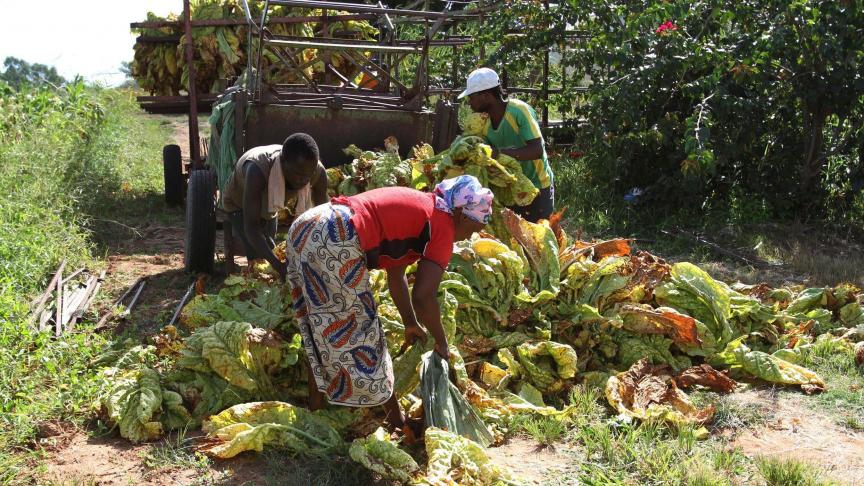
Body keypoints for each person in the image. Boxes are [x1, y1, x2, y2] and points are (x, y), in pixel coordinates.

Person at [286, 175, 493, 431]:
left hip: (308, 225)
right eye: (472, 230)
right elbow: (424, 296)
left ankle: (314, 409)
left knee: (317, 322)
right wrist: (441, 342)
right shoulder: (443, 225)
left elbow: (396, 275)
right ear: (462, 214)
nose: (464, 238)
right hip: (336, 237)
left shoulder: (426, 208)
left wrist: (410, 323)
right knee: (364, 332)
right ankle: (397, 422)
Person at [222, 133, 328, 280]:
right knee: (259, 258)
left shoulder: (317, 172)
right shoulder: (256, 170)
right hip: (238, 204)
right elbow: (252, 227)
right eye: (298, 174)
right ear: (283, 162)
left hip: (270, 207)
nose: (304, 180)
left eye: (308, 175)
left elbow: (325, 219)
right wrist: (279, 266)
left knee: (271, 247)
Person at [459, 67, 555, 222]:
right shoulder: (483, 122)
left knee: (538, 238)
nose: (469, 103)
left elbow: (536, 150)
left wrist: (499, 153)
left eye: (472, 97)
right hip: (510, 187)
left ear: (486, 96)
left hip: (538, 185)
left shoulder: (518, 111)